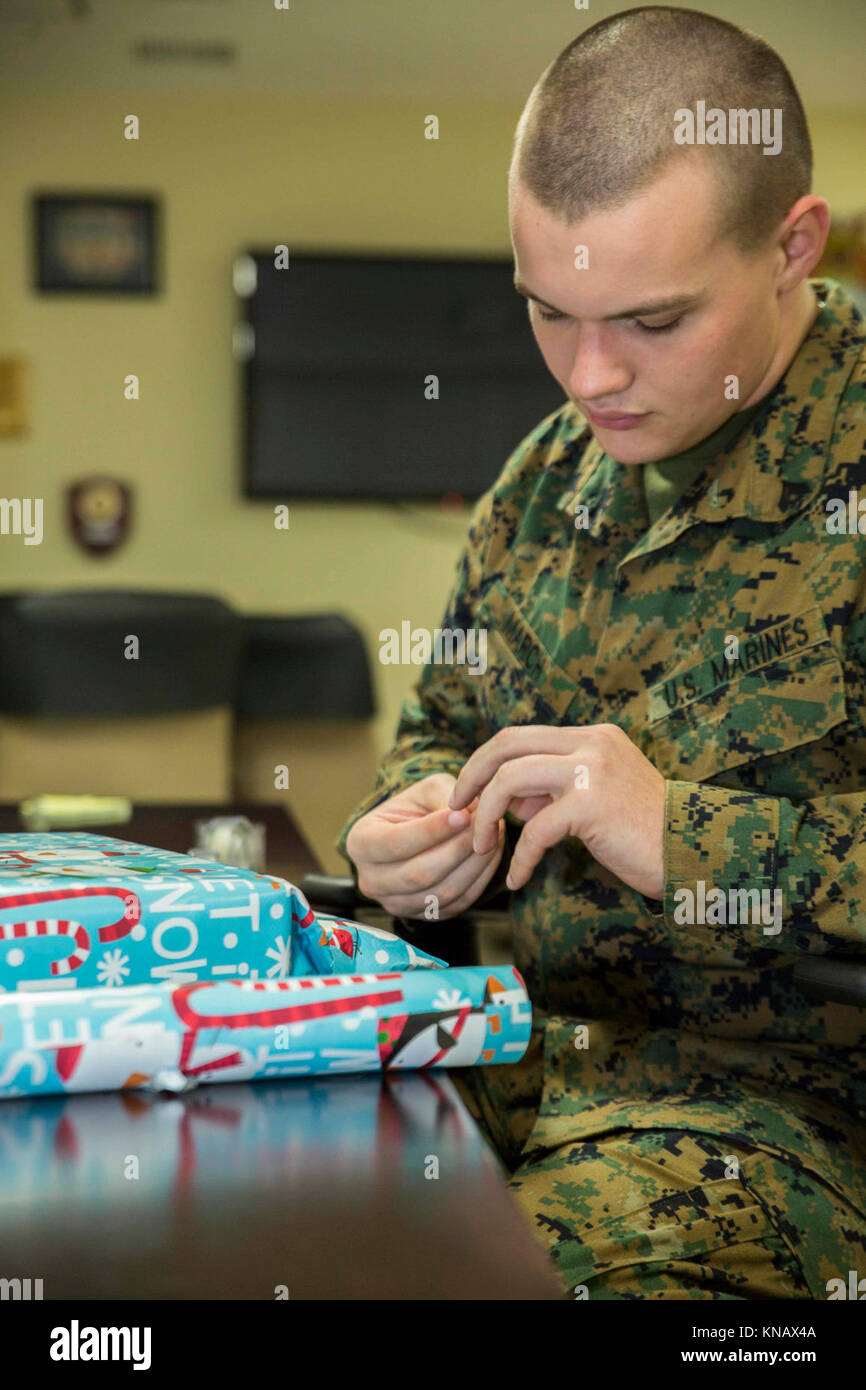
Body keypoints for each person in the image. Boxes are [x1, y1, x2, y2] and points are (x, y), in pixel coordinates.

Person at [337, 6, 866, 1299]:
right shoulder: (542, 484)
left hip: (781, 1122)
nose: (588, 376)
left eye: (650, 319)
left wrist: (686, 834)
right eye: (546, 314)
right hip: (499, 1059)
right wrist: (402, 839)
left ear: (793, 244)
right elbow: (439, 728)